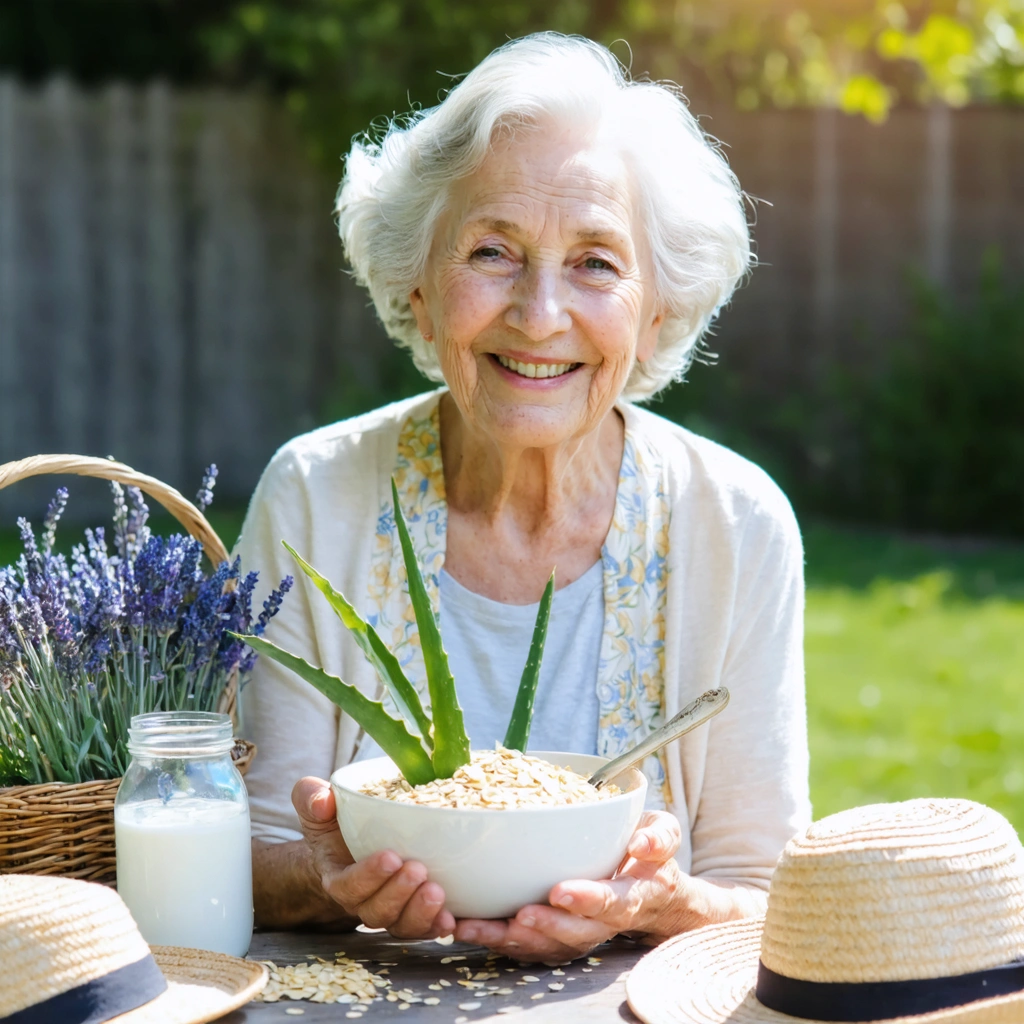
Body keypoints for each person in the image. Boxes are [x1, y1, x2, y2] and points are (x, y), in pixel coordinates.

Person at [236, 32, 810, 962]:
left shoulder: (735, 524)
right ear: (418, 290)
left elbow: (769, 896)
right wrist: (330, 881)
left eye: (595, 263)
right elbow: (251, 853)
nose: (540, 316)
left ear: (655, 310)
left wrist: (656, 904)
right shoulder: (315, 495)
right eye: (493, 251)